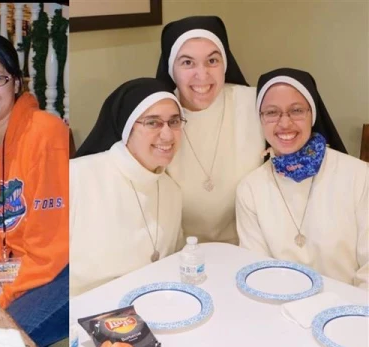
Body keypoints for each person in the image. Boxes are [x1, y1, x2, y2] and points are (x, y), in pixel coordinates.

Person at [0, 33, 69, 347]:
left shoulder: (47, 135)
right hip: (19, 272)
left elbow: (51, 248)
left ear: (16, 83)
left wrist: (1, 299)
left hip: (62, 272)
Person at [236, 67, 367, 288]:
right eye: (271, 112)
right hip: (281, 313)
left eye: (296, 110)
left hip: (352, 312)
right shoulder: (250, 189)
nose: (284, 123)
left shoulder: (360, 176)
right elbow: (257, 272)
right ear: (260, 118)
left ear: (312, 115)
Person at [147, 15, 265, 245]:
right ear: (171, 69)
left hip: (250, 247)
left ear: (225, 64)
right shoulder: (154, 117)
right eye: (187, 63)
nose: (202, 75)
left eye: (212, 61)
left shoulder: (256, 105)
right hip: (179, 254)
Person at [70, 78, 184, 297]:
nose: (168, 135)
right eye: (153, 122)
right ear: (127, 127)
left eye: (175, 121)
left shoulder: (172, 191)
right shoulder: (76, 176)